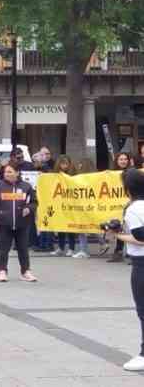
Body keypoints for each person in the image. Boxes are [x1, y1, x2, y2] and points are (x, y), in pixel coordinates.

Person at [110, 168, 144, 372]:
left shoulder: (133, 209)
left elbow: (141, 238)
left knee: (143, 310)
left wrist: (118, 236)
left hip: (141, 263)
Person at [0, 162, 38, 283]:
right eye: (5, 172)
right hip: (4, 223)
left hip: (22, 224)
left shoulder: (26, 186)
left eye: (10, 172)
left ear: (17, 173)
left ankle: (25, 271)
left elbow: (34, 202)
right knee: (3, 248)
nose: (7, 174)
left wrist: (29, 208)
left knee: (23, 249)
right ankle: (2, 271)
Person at [108, 153, 136, 263]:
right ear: (117, 161)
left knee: (130, 229)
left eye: (125, 159)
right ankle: (118, 252)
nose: (123, 161)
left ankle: (132, 254)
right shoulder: (111, 174)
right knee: (118, 228)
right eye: (121, 159)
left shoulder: (132, 172)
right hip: (116, 207)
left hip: (129, 205)